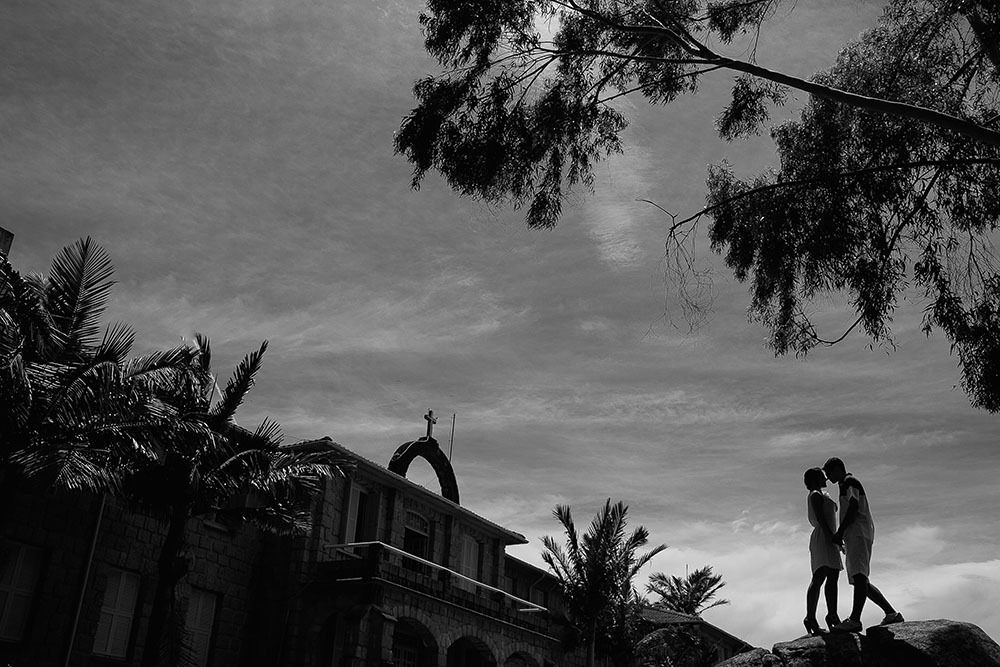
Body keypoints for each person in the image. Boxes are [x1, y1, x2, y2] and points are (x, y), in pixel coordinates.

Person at [822, 456, 904, 632]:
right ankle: (891, 613)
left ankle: (855, 619)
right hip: (855, 534)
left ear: (837, 468)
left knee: (859, 577)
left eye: (829, 472)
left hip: (858, 533)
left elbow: (853, 506)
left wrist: (840, 532)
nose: (828, 477)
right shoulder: (844, 483)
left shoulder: (849, 482)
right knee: (860, 579)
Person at [803, 467, 842, 635]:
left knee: (830, 575)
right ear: (814, 480)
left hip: (828, 536)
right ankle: (813, 617)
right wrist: (833, 538)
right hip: (823, 536)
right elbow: (821, 519)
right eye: (821, 476)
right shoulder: (815, 495)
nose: (825, 478)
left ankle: (830, 614)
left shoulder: (822, 494)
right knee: (821, 575)